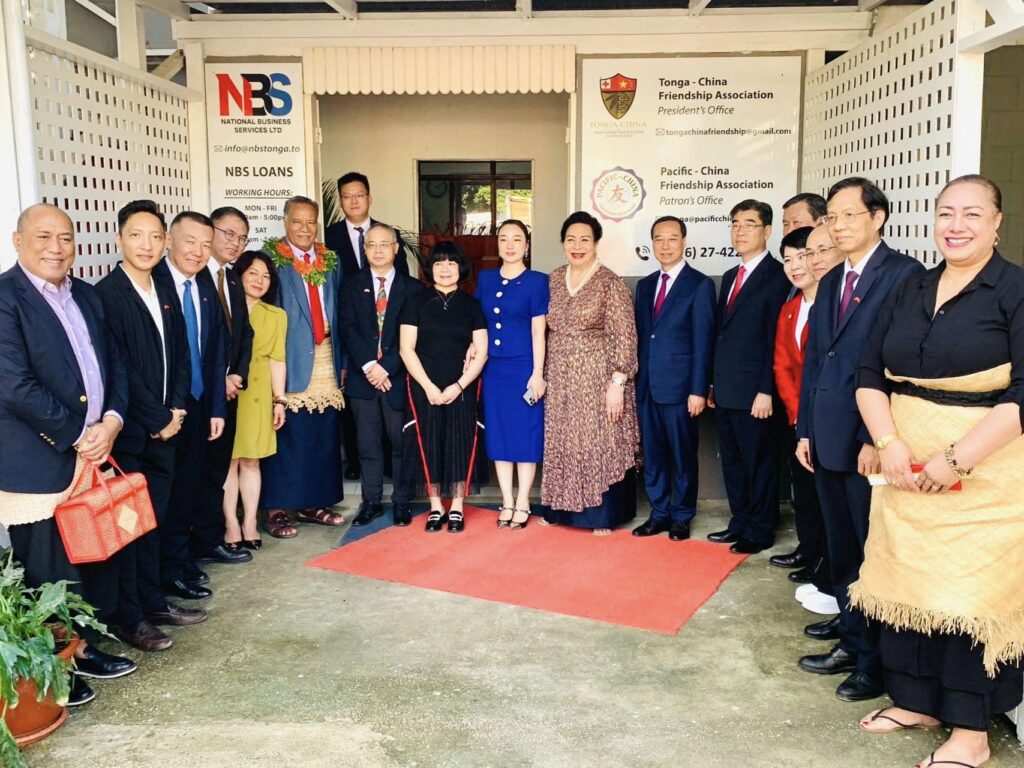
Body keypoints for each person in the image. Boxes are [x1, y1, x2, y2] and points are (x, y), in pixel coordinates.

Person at [852, 175, 1023, 768]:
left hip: (987, 477)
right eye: (946, 212)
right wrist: (889, 440)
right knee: (905, 587)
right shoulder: (911, 286)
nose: (957, 225)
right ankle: (917, 701)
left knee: (966, 598)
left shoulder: (1015, 290)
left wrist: (956, 459)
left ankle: (971, 733)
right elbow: (870, 374)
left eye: (972, 214)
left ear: (997, 222)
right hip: (903, 471)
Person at [795, 177, 924, 703]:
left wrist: (883, 435)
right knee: (842, 547)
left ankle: (874, 664)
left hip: (869, 442)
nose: (839, 224)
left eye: (850, 214)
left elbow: (903, 367)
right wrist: (804, 428)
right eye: (832, 215)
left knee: (873, 553)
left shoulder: (904, 276)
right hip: (825, 436)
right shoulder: (830, 280)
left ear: (879, 217)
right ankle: (852, 639)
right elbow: (816, 360)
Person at [0, 203, 135, 705]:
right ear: (18, 242)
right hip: (41, 457)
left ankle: (85, 647)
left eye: (65, 238)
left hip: (95, 446)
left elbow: (114, 363)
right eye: (43, 237)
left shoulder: (85, 295)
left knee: (89, 555)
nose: (56, 248)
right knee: (46, 569)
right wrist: (80, 432)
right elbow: (14, 386)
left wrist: (114, 420)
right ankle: (58, 667)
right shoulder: (5, 297)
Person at [97, 200, 207, 650]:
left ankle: (154, 600)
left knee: (155, 521)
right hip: (132, 436)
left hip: (167, 428)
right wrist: (158, 417)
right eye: (136, 235)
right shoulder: (107, 295)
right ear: (119, 238)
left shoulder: (162, 288)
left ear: (164, 242)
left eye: (154, 236)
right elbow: (119, 369)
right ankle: (130, 617)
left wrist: (177, 408)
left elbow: (181, 355)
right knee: (129, 528)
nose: (146, 244)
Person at [155, 212, 247, 582]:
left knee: (200, 479)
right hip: (166, 409)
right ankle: (174, 565)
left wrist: (217, 401)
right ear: (169, 240)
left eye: (204, 244)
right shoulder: (156, 283)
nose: (198, 251)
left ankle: (195, 550)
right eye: (191, 242)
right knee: (176, 488)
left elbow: (218, 344)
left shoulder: (209, 282)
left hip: (206, 399)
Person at [540, 211, 639, 536]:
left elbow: (625, 336)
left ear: (596, 243)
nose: (577, 246)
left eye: (585, 239)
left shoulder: (610, 283)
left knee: (598, 443)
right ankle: (559, 510)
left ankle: (601, 516)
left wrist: (618, 382)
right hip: (559, 380)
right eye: (571, 240)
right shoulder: (552, 279)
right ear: (563, 244)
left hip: (598, 380)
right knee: (563, 442)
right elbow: (536, 328)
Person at [260, 196, 347, 538]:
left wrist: (342, 361)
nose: (305, 229)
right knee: (286, 435)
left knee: (321, 433)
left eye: (311, 222)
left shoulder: (330, 261)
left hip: (326, 355)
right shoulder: (272, 260)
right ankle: (278, 508)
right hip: (287, 356)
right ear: (285, 223)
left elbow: (337, 307)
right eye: (298, 221)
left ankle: (314, 502)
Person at [708, 200, 790, 554]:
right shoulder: (730, 277)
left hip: (756, 393)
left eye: (749, 224)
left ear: (768, 231)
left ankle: (760, 529)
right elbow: (722, 335)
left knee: (760, 463)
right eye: (735, 224)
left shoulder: (777, 276)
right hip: (726, 389)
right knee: (734, 461)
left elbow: (776, 339)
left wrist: (765, 390)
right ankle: (740, 520)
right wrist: (712, 383)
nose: (740, 231)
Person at [632, 215, 715, 541]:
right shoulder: (646, 284)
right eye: (658, 239)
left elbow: (703, 340)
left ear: (684, 241)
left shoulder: (700, 284)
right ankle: (660, 512)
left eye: (672, 238)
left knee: (682, 455)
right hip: (649, 386)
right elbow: (644, 337)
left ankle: (682, 516)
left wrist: (698, 389)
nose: (665, 245)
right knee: (654, 455)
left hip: (682, 389)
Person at [324, 172, 410, 482]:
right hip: (355, 343)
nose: (354, 200)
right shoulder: (328, 238)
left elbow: (405, 306)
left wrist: (386, 364)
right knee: (359, 416)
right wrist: (366, 361)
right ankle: (358, 466)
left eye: (359, 194)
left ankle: (391, 471)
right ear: (341, 200)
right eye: (347, 196)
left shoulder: (386, 235)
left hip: (391, 350)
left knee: (394, 425)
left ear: (369, 198)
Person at [399, 241, 488, 533]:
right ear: (431, 268)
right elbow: (406, 349)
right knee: (429, 442)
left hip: (462, 386)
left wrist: (459, 385)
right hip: (425, 384)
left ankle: (458, 507)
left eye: (451, 263)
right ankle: (436, 507)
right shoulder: (415, 302)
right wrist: (428, 387)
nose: (445, 269)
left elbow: (482, 351)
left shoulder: (472, 305)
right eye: (439, 263)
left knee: (459, 442)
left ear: (460, 267)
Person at [771, 227, 836, 626]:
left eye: (804, 256)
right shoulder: (791, 307)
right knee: (807, 500)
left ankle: (829, 575)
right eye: (790, 259)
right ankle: (815, 565)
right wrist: (798, 417)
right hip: (800, 421)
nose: (797, 266)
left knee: (830, 505)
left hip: (827, 422)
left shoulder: (832, 305)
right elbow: (784, 365)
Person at [340, 224, 422, 528]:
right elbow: (347, 329)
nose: (377, 250)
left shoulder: (412, 289)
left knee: (401, 444)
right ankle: (371, 502)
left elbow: (414, 336)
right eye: (371, 245)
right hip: (364, 381)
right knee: (368, 445)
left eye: (384, 244)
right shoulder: (350, 285)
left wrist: (387, 366)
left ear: (396, 249)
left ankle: (402, 501)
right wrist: (369, 367)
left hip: (398, 377)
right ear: (364, 249)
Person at [474, 219, 549, 529]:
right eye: (504, 238)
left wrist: (538, 373)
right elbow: (477, 323)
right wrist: (473, 349)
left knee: (526, 435)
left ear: (526, 245)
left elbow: (538, 332)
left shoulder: (536, 281)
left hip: (523, 369)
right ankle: (506, 499)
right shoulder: (486, 278)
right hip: (494, 369)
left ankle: (523, 501)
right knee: (501, 435)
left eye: (517, 239)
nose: (510, 244)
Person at [223, 250, 287, 550]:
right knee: (227, 461)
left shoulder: (276, 316)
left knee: (251, 461)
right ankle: (230, 524)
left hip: (258, 392)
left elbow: (278, 360)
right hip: (225, 390)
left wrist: (280, 400)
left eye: (265, 275)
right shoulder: (222, 308)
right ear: (239, 275)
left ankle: (249, 521)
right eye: (253, 273)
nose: (259, 280)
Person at [203, 207, 254, 557]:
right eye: (229, 234)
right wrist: (217, 378)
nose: (235, 243)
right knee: (203, 471)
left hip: (231, 391)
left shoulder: (232, 278)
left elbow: (244, 335)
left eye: (242, 237)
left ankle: (211, 539)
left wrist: (236, 375)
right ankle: (208, 538)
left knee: (216, 469)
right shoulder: (195, 276)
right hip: (203, 393)